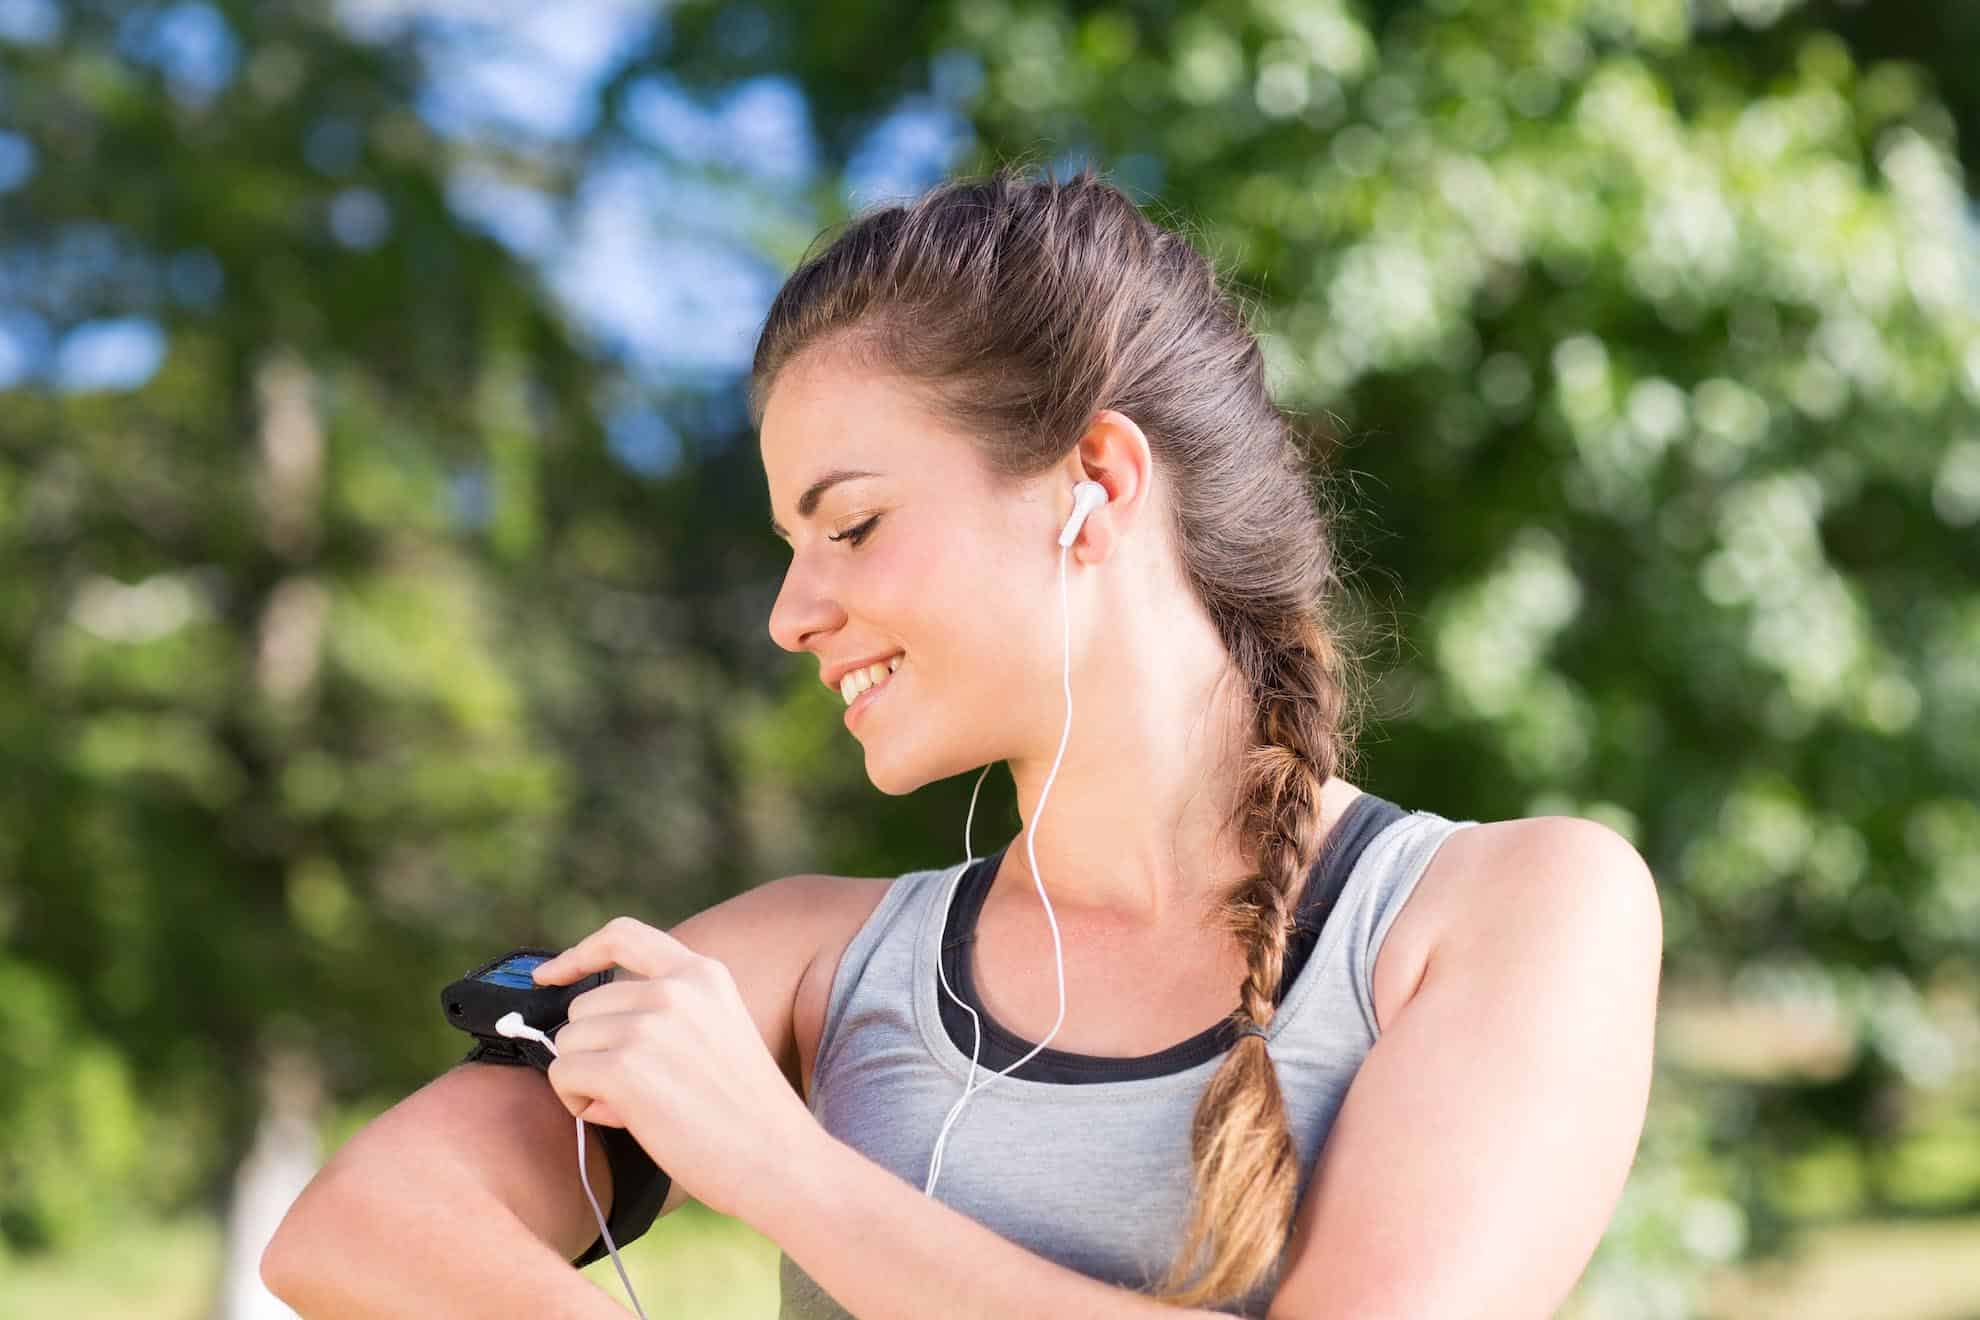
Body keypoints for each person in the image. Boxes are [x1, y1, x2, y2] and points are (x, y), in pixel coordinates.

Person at [261, 164, 1663, 1319]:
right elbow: (360, 1230)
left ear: (1094, 485)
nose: (792, 613)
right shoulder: (811, 961)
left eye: (852, 524)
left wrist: (778, 1165)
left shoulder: (1514, 913)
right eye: (788, 545)